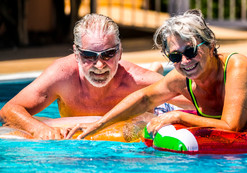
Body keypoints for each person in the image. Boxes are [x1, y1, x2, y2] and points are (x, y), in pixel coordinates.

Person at [66, 9, 247, 140]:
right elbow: (143, 99)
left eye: (191, 50)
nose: (185, 60)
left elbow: (232, 127)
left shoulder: (237, 66)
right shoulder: (182, 76)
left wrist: (179, 117)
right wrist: (97, 125)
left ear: (210, 45)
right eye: (175, 56)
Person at [0, 13, 191, 140]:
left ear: (120, 52)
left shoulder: (137, 81)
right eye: (89, 56)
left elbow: (203, 98)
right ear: (76, 53)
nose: (99, 65)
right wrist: (38, 129)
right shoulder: (62, 75)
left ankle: (155, 69)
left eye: (108, 54)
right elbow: (9, 109)